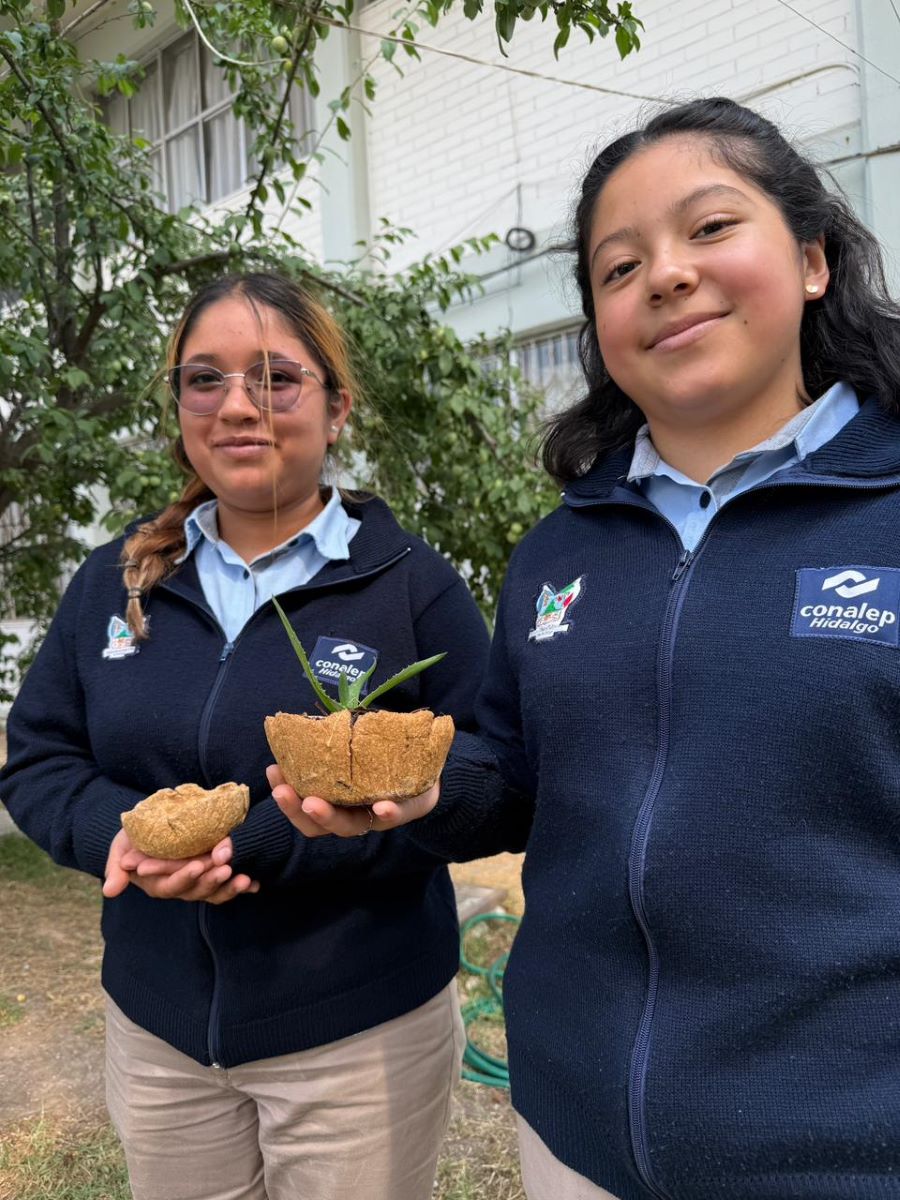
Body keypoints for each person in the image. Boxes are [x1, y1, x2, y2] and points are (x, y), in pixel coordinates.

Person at [269, 99, 900, 1200]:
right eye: (619, 267)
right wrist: (419, 794)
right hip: (574, 1135)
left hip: (844, 1154)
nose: (664, 276)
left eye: (709, 230)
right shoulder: (561, 552)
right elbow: (512, 775)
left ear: (811, 259)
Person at [0, 271, 491, 1200]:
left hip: (354, 1032)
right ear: (179, 405)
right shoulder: (115, 583)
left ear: (337, 408)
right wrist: (126, 834)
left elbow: (492, 768)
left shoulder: (409, 585)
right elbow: (40, 758)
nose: (237, 407)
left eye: (276, 378)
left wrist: (268, 835)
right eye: (205, 379)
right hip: (158, 1034)